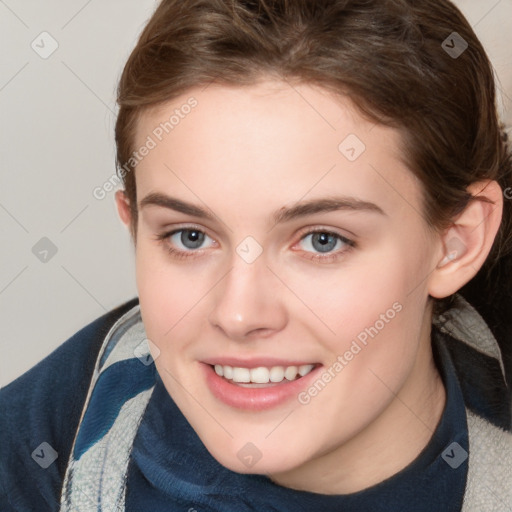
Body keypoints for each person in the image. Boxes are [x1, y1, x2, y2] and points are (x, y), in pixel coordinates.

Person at [1, 0, 511, 510]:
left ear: (454, 242)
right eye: (190, 236)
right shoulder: (32, 463)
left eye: (321, 240)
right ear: (134, 226)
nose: (239, 314)